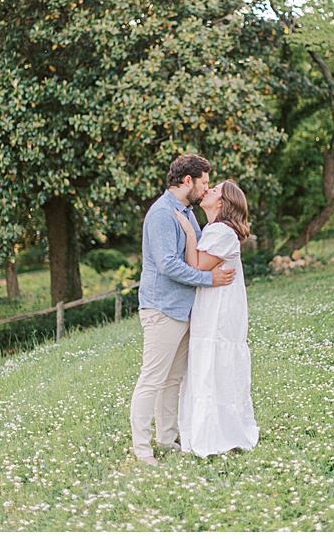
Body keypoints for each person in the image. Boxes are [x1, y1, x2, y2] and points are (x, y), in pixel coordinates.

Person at [129, 154, 235, 466]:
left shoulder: (186, 212)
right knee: (152, 379)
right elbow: (168, 264)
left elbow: (194, 254)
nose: (206, 188)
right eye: (203, 182)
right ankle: (142, 449)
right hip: (162, 308)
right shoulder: (162, 214)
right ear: (187, 181)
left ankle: (166, 438)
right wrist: (208, 279)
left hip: (183, 310)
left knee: (173, 379)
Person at [174, 179, 260, 456]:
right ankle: (207, 430)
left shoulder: (223, 231)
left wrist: (189, 232)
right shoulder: (214, 229)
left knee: (217, 367)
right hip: (210, 307)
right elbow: (203, 270)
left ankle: (222, 433)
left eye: (214, 190)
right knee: (207, 367)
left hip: (220, 314)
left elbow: (197, 265)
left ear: (222, 203)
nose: (207, 190)